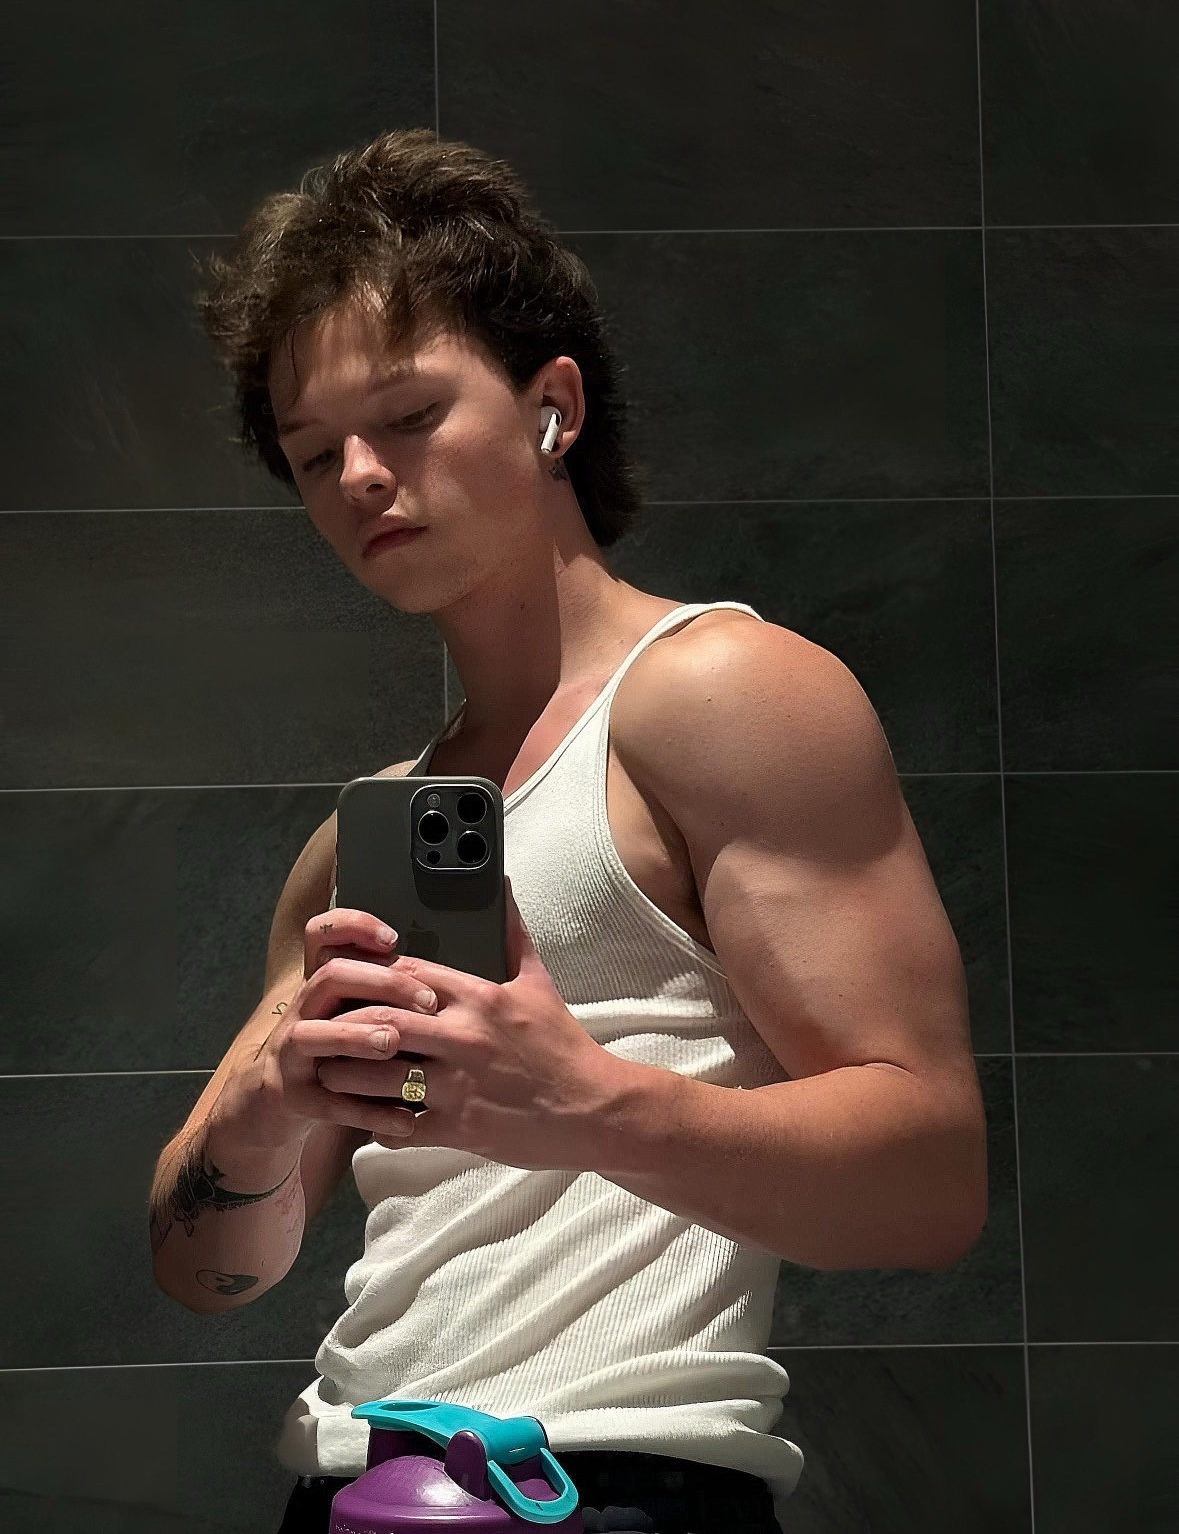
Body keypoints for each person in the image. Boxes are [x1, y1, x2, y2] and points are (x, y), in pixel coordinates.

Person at [148, 129, 988, 1534]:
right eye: (313, 453)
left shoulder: (723, 693)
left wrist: (589, 1104)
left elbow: (930, 1180)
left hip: (605, 1488)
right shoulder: (362, 843)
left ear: (552, 407)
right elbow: (208, 1270)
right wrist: (262, 1114)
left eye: (409, 414)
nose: (359, 476)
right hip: (348, 1484)